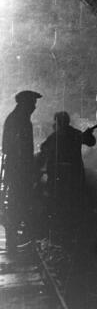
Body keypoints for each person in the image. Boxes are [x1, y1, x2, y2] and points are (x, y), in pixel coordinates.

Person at [39, 112, 96, 228]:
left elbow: (43, 148)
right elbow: (91, 142)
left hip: (58, 177)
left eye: (55, 122)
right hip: (74, 176)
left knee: (58, 203)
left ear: (58, 122)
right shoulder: (76, 134)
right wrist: (89, 134)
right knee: (72, 203)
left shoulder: (55, 136)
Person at [2, 90, 42, 252]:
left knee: (18, 202)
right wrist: (27, 168)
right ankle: (14, 240)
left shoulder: (17, 118)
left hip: (17, 169)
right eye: (33, 103)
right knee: (18, 203)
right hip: (20, 170)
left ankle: (16, 239)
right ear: (25, 103)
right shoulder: (19, 120)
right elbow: (17, 149)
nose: (35, 106)